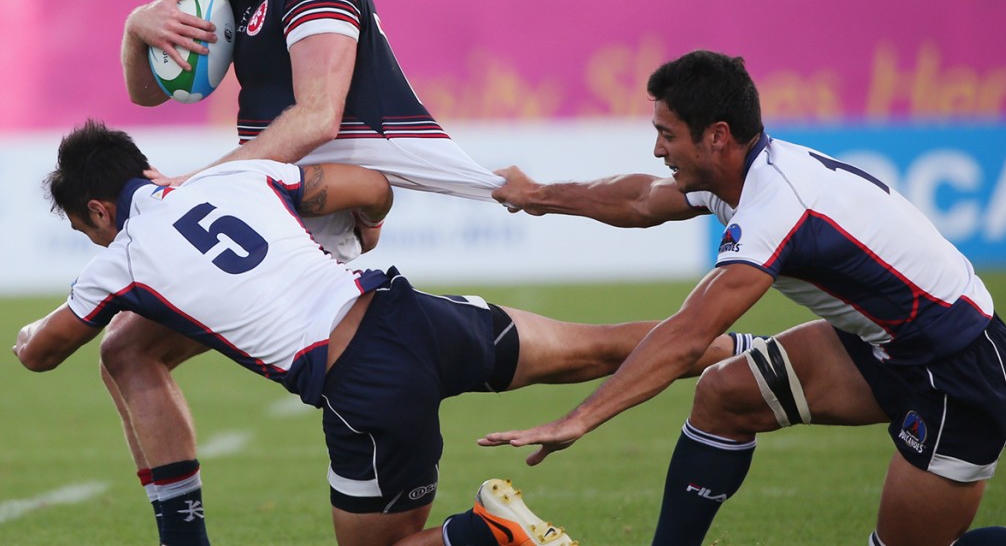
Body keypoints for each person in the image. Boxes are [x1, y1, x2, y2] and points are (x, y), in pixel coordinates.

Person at [14, 120, 739, 546]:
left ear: (102, 213)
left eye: (86, 231)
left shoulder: (123, 258)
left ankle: (487, 534)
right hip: (411, 312)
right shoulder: (234, 179)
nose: (93, 243)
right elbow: (371, 188)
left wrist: (29, 333)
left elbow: (44, 355)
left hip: (363, 382)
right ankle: (742, 350)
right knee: (598, 344)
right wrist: (360, 231)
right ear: (149, 167)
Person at [480, 50, 1006, 546]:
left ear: (716, 135)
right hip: (882, 346)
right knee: (726, 395)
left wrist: (579, 418)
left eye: (667, 134)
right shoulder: (741, 174)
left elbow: (688, 334)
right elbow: (642, 198)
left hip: (958, 373)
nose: (657, 148)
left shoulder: (774, 208)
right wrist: (536, 195)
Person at [112, 0, 504, 542]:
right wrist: (136, 27)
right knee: (128, 351)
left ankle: (478, 533)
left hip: (297, 229)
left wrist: (201, 187)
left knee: (134, 350)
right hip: (281, 218)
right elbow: (148, 93)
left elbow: (318, 115)